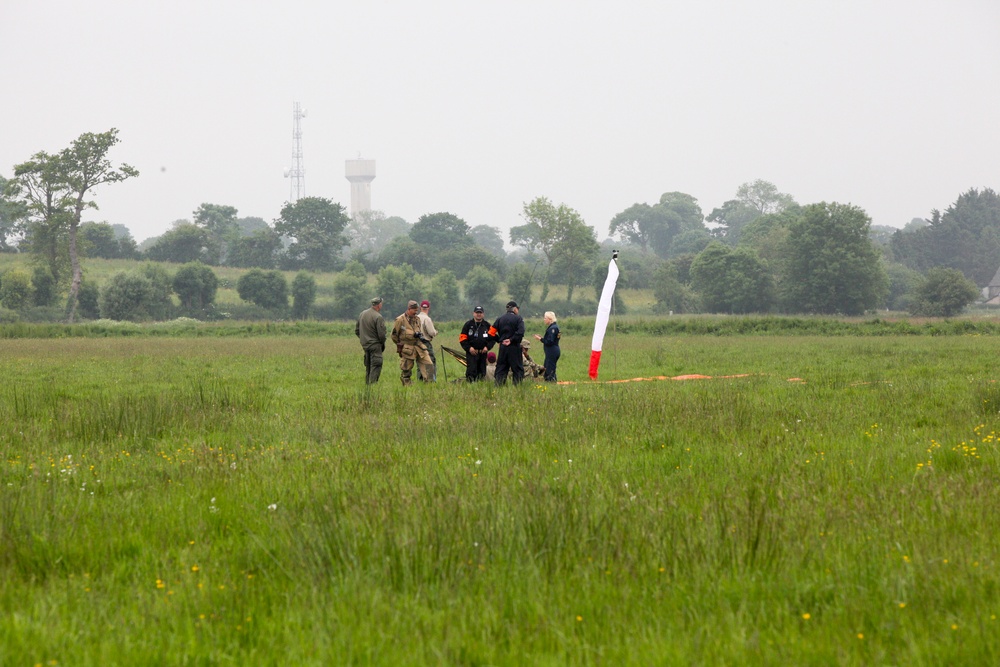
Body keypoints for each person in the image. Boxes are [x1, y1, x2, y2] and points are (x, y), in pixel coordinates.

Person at [390, 300, 434, 386]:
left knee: (429, 365)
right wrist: (400, 344)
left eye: (417, 310)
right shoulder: (400, 320)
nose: (416, 312)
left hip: (419, 346)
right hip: (407, 347)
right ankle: (407, 386)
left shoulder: (417, 319)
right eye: (414, 310)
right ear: (409, 309)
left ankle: (430, 385)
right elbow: (394, 335)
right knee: (406, 369)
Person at [489, 300, 525, 385]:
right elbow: (521, 332)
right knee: (517, 369)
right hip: (514, 347)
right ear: (515, 309)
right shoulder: (518, 318)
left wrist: (500, 340)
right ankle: (517, 388)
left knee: (501, 369)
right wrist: (511, 340)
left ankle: (498, 387)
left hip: (503, 348)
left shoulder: (500, 319)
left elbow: (490, 333)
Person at [355, 296, 386, 384]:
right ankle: (372, 386)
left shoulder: (362, 314)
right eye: (381, 304)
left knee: (368, 366)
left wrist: (364, 339)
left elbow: (357, 331)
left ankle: (367, 385)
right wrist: (381, 343)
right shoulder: (378, 317)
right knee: (376, 365)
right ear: (379, 305)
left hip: (365, 345)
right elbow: (381, 335)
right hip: (375, 345)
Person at [458, 305, 493, 382]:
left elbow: (493, 338)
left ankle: (480, 387)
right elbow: (462, 339)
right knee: (471, 371)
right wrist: (469, 348)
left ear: (483, 314)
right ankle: (471, 388)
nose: (479, 314)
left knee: (482, 372)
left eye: (480, 312)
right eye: (477, 312)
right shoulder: (468, 325)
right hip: (471, 353)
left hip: (482, 353)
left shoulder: (487, 325)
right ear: (473, 313)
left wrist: (487, 347)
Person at [534, 310, 561, 382]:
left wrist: (540, 339)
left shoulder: (552, 328)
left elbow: (550, 341)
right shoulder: (555, 327)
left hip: (552, 350)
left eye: (545, 318)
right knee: (548, 366)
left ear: (550, 319)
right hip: (554, 349)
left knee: (549, 368)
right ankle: (551, 380)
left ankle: (550, 381)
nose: (544, 320)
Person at [416, 300, 438, 381]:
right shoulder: (427, 319)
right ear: (428, 308)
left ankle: (420, 379)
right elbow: (431, 332)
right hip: (425, 343)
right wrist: (436, 332)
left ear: (420, 308)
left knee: (420, 362)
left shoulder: (416, 318)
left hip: (417, 343)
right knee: (430, 361)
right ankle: (431, 380)